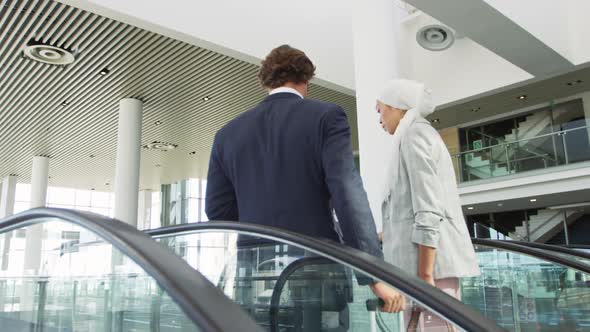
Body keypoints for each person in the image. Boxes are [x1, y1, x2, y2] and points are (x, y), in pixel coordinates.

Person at [205, 45, 405, 326]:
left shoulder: (226, 134)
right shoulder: (326, 116)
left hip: (254, 272)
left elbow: (217, 210)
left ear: (266, 82)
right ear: (306, 80)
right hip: (316, 268)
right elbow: (347, 195)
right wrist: (374, 275)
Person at [376, 79, 480, 330]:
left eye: (380, 109)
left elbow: (428, 208)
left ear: (397, 106)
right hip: (420, 271)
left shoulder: (415, 135)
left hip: (430, 272)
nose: (378, 117)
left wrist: (424, 277)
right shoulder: (411, 135)